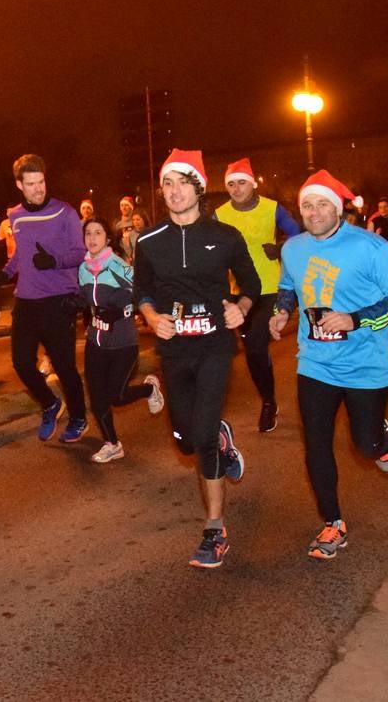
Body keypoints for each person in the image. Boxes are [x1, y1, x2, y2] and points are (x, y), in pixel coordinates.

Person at [269, 169, 388, 561]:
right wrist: (282, 311)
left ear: (337, 208)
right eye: (306, 206)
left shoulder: (370, 247)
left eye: (321, 204)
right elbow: (288, 285)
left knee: (363, 447)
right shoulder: (293, 248)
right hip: (315, 363)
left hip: (367, 365)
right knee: (316, 445)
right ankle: (333, 522)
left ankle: (379, 439)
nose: (313, 212)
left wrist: (355, 319)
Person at [133, 150, 259, 568]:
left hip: (214, 346)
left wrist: (240, 306)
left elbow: (252, 283)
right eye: (167, 184)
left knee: (200, 437)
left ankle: (214, 529)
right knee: (187, 440)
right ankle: (218, 438)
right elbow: (142, 291)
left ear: (199, 188)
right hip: (174, 349)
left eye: (183, 182)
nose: (174, 191)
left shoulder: (224, 236)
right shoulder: (149, 241)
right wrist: (151, 316)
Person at [0, 155, 88, 442]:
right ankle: (50, 403)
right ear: (19, 184)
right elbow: (20, 253)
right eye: (31, 184)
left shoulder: (65, 213)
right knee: (21, 363)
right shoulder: (15, 215)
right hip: (27, 300)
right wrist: (3, 275)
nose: (38, 189)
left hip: (59, 300)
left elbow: (80, 253)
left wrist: (54, 261)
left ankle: (79, 417)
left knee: (65, 366)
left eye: (41, 181)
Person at [214, 157, 302, 433]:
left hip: (269, 288)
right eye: (231, 184)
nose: (236, 189)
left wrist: (281, 246)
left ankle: (268, 402)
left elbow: (299, 234)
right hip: (237, 293)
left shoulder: (272, 209)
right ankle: (263, 389)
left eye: (241, 183)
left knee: (254, 346)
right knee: (250, 351)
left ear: (252, 184)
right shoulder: (219, 214)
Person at [77, 217, 164, 463]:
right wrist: (75, 303)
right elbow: (86, 298)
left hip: (123, 343)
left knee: (117, 395)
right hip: (96, 342)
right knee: (97, 399)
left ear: (107, 239)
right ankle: (112, 444)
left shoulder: (116, 266)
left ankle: (150, 388)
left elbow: (143, 292)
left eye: (98, 233)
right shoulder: (83, 269)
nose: (92, 238)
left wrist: (121, 308)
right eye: (88, 234)